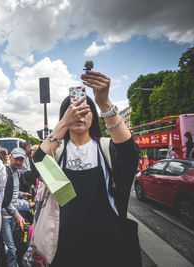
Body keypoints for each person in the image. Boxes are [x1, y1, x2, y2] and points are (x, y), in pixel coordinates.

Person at [31, 70, 140, 266]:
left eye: (86, 108)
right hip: (62, 248)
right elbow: (37, 166)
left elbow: (129, 153)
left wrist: (104, 102)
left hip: (108, 248)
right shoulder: (57, 152)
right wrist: (63, 123)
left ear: (94, 116)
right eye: (73, 109)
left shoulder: (106, 147)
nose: (80, 112)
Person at [1, 147, 31, 267]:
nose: (18, 162)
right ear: (10, 158)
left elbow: (12, 192)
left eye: (21, 160)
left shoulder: (17, 173)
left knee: (9, 246)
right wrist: (18, 215)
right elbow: (5, 199)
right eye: (16, 159)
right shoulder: (6, 173)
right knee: (11, 248)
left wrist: (22, 194)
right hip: (5, 217)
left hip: (12, 216)